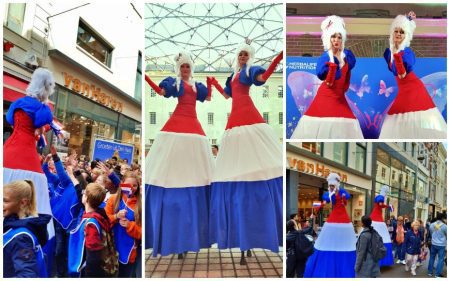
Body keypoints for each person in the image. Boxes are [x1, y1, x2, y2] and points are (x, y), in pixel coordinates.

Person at [207, 40, 283, 264]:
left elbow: (263, 78)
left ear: (248, 56)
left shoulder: (250, 71)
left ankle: (252, 236)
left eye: (244, 54)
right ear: (236, 56)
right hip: (235, 119)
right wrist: (213, 83)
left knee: (252, 159)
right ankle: (244, 240)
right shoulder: (233, 75)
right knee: (235, 164)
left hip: (249, 116)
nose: (242, 57)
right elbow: (228, 95)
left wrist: (277, 60)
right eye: (239, 54)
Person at [145, 51, 213, 257]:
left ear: (191, 68)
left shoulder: (195, 85)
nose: (185, 69)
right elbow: (162, 92)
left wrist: (210, 84)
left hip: (193, 123)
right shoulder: (175, 83)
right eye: (183, 66)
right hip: (178, 121)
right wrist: (148, 79)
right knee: (174, 160)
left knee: (197, 164)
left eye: (188, 66)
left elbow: (207, 97)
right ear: (179, 68)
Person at [3, 68, 56, 249]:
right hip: (27, 157)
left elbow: (10, 118)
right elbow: (44, 122)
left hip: (7, 152)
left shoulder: (17, 102)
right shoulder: (43, 108)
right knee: (35, 202)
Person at [291, 15, 363, 139]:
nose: (336, 39)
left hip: (340, 99)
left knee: (348, 126)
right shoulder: (326, 57)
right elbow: (327, 80)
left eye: (339, 37)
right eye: (333, 36)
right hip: (326, 96)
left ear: (343, 40)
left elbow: (345, 83)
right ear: (328, 39)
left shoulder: (347, 58)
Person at [379, 11, 447, 138]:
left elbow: (402, 74)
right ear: (392, 32)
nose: (398, 34)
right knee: (394, 122)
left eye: (402, 32)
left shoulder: (407, 53)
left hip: (414, 89)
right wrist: (394, 54)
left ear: (406, 35)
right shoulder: (389, 52)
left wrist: (398, 58)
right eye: (396, 31)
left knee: (413, 120)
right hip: (403, 90)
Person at [304, 173, 356, 277]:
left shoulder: (342, 192)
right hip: (334, 217)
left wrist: (342, 197)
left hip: (343, 218)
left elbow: (345, 202)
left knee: (343, 241)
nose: (331, 187)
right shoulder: (329, 193)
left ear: (336, 184)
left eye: (333, 185)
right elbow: (325, 201)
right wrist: (318, 207)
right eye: (330, 185)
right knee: (328, 239)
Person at [68, 183, 118, 277]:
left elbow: (93, 256)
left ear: (86, 198)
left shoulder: (91, 224)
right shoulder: (99, 214)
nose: (82, 194)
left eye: (84, 193)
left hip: (91, 271)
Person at [3, 180, 51, 277]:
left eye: (5, 200)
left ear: (22, 203)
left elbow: (27, 275)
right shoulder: (16, 225)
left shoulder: (21, 237)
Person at [105, 172, 141, 277]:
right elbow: (104, 222)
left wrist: (130, 225)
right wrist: (116, 216)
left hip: (129, 252)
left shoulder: (140, 205)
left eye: (135, 185)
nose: (132, 188)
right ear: (123, 184)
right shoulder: (113, 199)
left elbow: (143, 232)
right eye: (128, 185)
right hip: (111, 249)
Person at [369, 185, 394, 266]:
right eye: (386, 192)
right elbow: (380, 203)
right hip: (377, 219)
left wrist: (387, 206)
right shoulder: (381, 197)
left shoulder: (380, 197)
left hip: (376, 218)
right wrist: (388, 206)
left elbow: (380, 204)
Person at [427, 212, 447, 277]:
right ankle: (437, 274)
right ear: (442, 218)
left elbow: (431, 232)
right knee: (440, 259)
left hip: (433, 244)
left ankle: (430, 272)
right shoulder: (444, 226)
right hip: (441, 245)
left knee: (432, 257)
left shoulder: (431, 225)